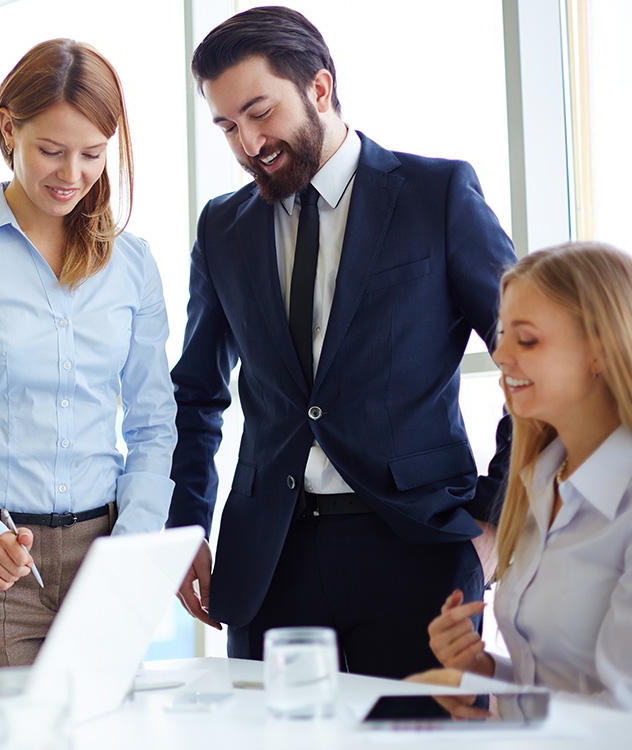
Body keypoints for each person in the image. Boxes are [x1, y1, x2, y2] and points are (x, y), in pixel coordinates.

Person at [166, 6, 516, 678]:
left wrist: (497, 523)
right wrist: (187, 529)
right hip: (271, 558)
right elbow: (198, 394)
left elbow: (529, 361)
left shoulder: (436, 195)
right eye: (227, 126)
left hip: (418, 547)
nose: (247, 142)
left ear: (319, 89)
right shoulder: (222, 229)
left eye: (260, 112)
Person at [0, 38, 177, 672]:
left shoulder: (132, 265)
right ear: (9, 131)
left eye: (92, 154)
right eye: (51, 151)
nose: (72, 175)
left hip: (107, 549)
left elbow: (154, 427)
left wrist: (133, 550)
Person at [418, 242, 632, 709]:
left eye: (527, 340)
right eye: (501, 335)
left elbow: (620, 715)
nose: (499, 355)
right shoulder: (541, 485)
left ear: (600, 349)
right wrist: (481, 672)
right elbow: (560, 685)